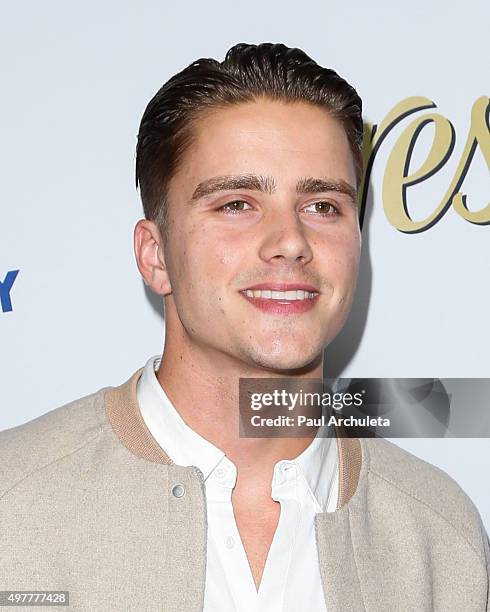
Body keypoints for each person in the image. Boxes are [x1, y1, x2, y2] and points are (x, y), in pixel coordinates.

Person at [1, 42, 488, 612]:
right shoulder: (15, 504)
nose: (290, 242)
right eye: (237, 204)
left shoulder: (440, 536)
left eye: (323, 206)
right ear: (155, 255)